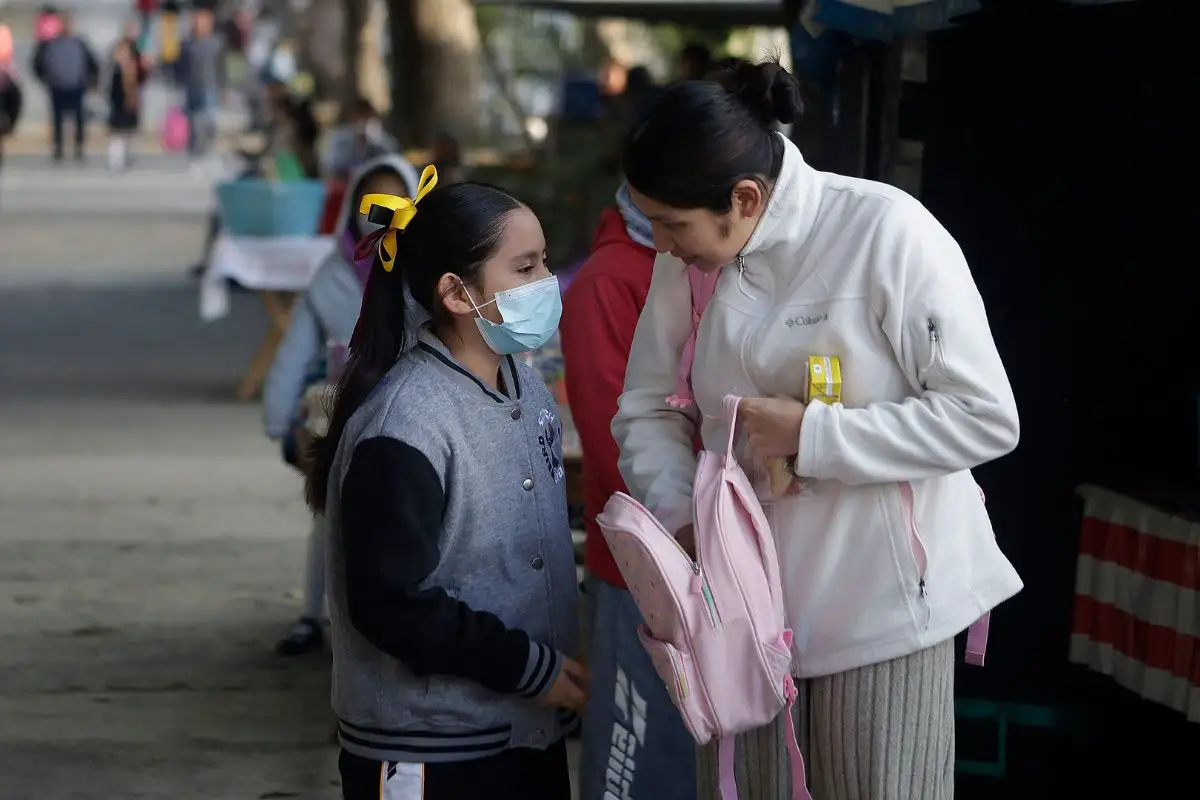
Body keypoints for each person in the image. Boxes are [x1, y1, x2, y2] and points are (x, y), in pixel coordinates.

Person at [613, 58, 1023, 799]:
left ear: (744, 198)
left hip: (881, 613)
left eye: (672, 226)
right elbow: (644, 407)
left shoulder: (884, 231)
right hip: (739, 618)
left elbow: (984, 416)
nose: (664, 247)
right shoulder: (693, 260)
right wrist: (686, 523)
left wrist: (816, 437)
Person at [304, 171, 586, 799]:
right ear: (457, 293)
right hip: (429, 753)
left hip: (523, 731)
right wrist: (530, 667)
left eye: (544, 263)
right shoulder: (406, 424)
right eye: (526, 267)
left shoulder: (522, 380)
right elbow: (391, 604)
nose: (546, 284)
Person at [561, 186, 697, 800]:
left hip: (713, 566)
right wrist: (685, 531)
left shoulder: (706, 261)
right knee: (634, 758)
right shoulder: (609, 279)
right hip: (639, 565)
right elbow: (613, 437)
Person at [263, 153, 421, 656]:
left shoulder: (427, 269)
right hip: (342, 417)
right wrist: (278, 417)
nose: (379, 211)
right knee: (332, 516)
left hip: (418, 415)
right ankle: (317, 614)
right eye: (368, 200)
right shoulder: (332, 273)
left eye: (394, 197)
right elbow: (295, 349)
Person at [31, 12, 98, 163]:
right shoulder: (51, 44)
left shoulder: (80, 43)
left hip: (76, 87)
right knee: (57, 120)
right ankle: (58, 148)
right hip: (58, 87)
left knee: (79, 119)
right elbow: (38, 63)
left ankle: (79, 147)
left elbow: (93, 63)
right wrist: (46, 80)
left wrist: (90, 81)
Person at [178, 7, 223, 160]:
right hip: (192, 86)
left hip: (210, 86)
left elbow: (220, 67)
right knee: (193, 121)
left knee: (209, 120)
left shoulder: (216, 43)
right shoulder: (188, 43)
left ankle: (208, 147)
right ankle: (194, 151)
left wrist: (224, 87)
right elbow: (181, 66)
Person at [106, 38, 142, 171]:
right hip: (117, 106)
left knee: (130, 134)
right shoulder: (114, 70)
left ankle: (128, 157)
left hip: (129, 107)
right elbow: (110, 91)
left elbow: (136, 88)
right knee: (117, 135)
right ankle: (116, 161)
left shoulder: (132, 69)